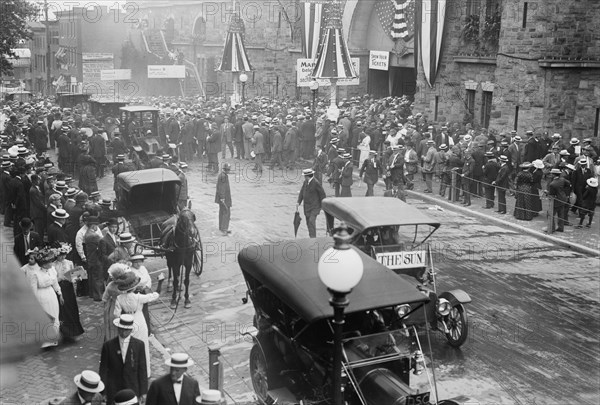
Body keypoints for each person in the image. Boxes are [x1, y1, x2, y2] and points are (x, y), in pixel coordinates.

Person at [114, 272, 159, 377]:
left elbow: (116, 314)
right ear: (134, 287)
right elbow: (154, 296)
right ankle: (145, 372)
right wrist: (159, 285)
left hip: (127, 322)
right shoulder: (138, 297)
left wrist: (123, 319)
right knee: (143, 346)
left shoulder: (119, 298)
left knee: (127, 347)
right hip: (139, 319)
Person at [99, 314, 148, 405]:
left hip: (132, 389)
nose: (123, 332)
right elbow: (103, 370)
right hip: (113, 389)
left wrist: (143, 392)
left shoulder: (139, 345)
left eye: (126, 329)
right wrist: (103, 392)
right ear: (118, 328)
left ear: (131, 330)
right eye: (121, 328)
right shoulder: (108, 346)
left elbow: (142, 370)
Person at [28, 247, 62, 348]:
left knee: (54, 315)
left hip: (51, 295)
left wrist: (59, 293)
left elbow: (55, 283)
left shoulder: (52, 270)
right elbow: (33, 290)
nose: (52, 263)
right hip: (41, 296)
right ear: (43, 264)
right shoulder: (35, 274)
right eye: (49, 262)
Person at [54, 243, 84, 341]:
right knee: (62, 309)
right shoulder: (53, 265)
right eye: (60, 255)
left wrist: (77, 277)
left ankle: (73, 331)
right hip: (60, 288)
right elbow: (53, 279)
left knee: (71, 307)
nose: (62, 257)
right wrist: (60, 278)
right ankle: (63, 331)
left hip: (69, 288)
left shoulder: (69, 262)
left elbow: (73, 275)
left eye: (64, 254)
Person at [102, 263, 130, 342]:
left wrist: (106, 308)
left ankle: (111, 342)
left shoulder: (110, 285)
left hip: (112, 307)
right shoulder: (127, 286)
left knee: (112, 326)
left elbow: (104, 298)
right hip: (125, 307)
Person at [296, 168, 326, 238]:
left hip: (314, 207)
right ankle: (311, 236)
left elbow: (322, 194)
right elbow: (302, 192)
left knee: (311, 222)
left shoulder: (316, 183)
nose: (304, 177)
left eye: (304, 176)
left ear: (307, 176)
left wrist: (323, 206)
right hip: (306, 207)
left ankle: (313, 238)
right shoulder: (305, 182)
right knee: (308, 223)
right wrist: (298, 202)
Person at [130, 254, 153, 335]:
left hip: (144, 291)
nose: (138, 264)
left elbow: (148, 278)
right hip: (135, 293)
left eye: (140, 262)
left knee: (145, 311)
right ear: (132, 262)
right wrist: (138, 287)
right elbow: (134, 283)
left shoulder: (143, 268)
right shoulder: (131, 271)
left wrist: (147, 286)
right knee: (139, 312)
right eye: (136, 262)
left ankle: (148, 331)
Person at [84, 216, 104, 301]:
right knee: (98, 278)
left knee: (93, 277)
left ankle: (94, 294)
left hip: (91, 258)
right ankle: (98, 296)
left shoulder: (87, 234)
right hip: (96, 259)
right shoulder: (94, 236)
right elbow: (103, 242)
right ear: (93, 226)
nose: (97, 227)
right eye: (97, 225)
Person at [544, 168, 570, 232]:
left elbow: (551, 194)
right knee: (561, 214)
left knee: (550, 214)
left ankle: (551, 228)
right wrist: (564, 192)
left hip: (556, 201)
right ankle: (561, 227)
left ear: (553, 175)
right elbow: (569, 184)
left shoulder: (552, 184)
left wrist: (546, 192)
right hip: (563, 199)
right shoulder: (562, 179)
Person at [215, 163, 232, 236]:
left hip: (223, 198)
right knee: (226, 212)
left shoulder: (222, 175)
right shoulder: (223, 176)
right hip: (224, 198)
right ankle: (224, 229)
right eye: (228, 169)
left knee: (222, 212)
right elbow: (221, 188)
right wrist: (222, 198)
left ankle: (222, 228)